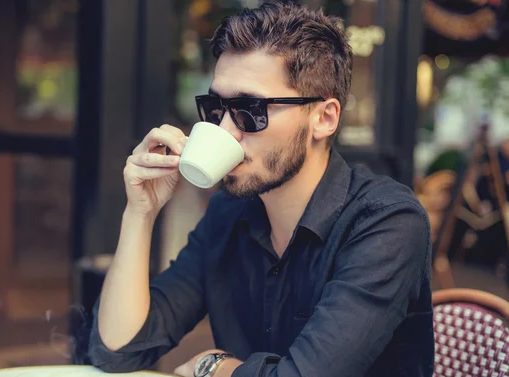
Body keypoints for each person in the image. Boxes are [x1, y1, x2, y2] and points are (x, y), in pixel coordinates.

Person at [88, 2, 434, 377]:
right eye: (217, 107)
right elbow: (119, 354)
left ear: (324, 118)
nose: (224, 129)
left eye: (250, 110)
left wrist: (212, 365)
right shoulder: (229, 213)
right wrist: (141, 212)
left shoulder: (386, 223)